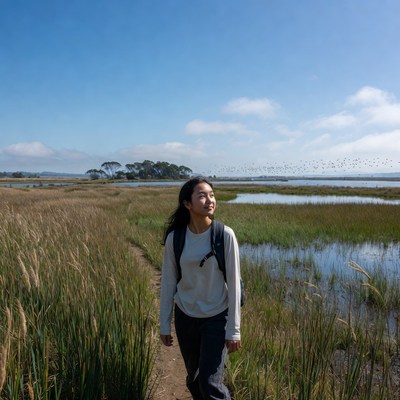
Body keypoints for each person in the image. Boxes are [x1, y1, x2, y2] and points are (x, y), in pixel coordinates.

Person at [159, 176, 241, 400]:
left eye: (212, 195)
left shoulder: (224, 235)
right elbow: (168, 282)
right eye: (202, 195)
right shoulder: (175, 238)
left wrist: (234, 330)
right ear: (187, 203)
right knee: (194, 380)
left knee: (209, 383)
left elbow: (234, 285)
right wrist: (164, 324)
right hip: (186, 316)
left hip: (216, 317)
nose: (210, 200)